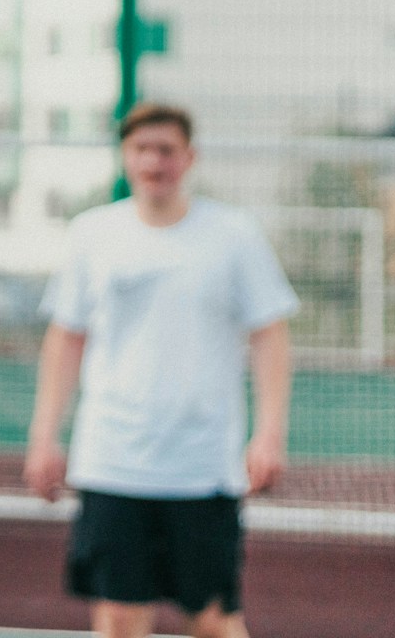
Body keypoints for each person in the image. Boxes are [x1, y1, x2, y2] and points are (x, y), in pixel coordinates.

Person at [23, 102, 296, 638]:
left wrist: (269, 434)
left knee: (214, 619)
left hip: (202, 464)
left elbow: (270, 336)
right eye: (142, 149)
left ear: (189, 158)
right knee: (120, 617)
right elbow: (66, 338)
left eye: (166, 150)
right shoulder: (93, 234)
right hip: (113, 460)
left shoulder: (233, 234)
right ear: (125, 157)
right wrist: (44, 435)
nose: (154, 161)